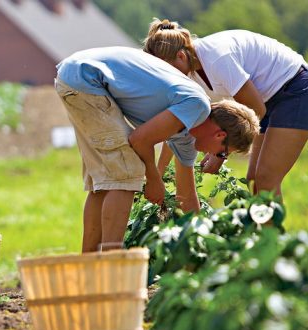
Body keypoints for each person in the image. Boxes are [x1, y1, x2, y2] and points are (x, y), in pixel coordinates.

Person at [56, 47, 259, 252]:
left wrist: (200, 241)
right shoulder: (197, 106)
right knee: (127, 172)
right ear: (220, 136)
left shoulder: (187, 137)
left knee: (103, 183)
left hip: (77, 76)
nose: (216, 157)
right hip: (87, 79)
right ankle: (113, 261)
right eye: (223, 153)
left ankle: (88, 263)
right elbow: (139, 139)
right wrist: (154, 179)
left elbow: (186, 195)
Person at [144, 19, 308, 199]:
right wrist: (158, 176)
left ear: (181, 56)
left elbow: (255, 110)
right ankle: (260, 227)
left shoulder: (217, 59)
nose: (166, 77)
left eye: (166, 70)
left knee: (266, 179)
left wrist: (221, 153)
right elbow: (176, 125)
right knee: (254, 180)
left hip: (296, 88)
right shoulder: (186, 72)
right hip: (264, 100)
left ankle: (271, 229)